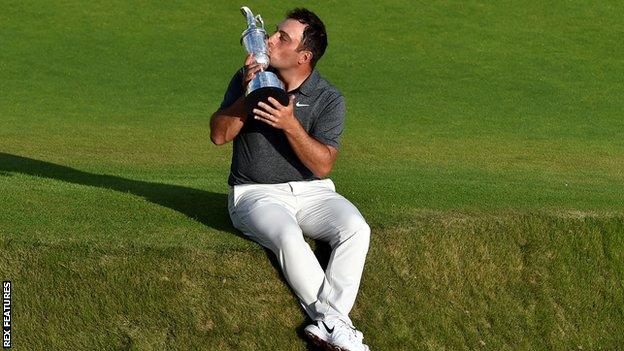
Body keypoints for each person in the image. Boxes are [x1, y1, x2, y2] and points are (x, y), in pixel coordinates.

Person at [210, 8, 371, 351]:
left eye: (283, 37)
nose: (270, 40)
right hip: (255, 194)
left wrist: (289, 124)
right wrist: (248, 94)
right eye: (275, 33)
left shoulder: (328, 97)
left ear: (304, 56)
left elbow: (324, 165)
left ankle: (328, 322)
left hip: (315, 192)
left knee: (357, 228)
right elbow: (219, 136)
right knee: (287, 235)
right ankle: (337, 325)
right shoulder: (247, 76)